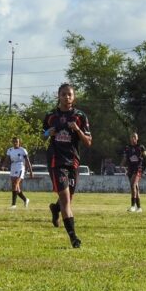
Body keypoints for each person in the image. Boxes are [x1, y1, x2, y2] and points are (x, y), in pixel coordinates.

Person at [43, 83, 92, 248]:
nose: (66, 97)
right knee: (65, 199)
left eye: (69, 94)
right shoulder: (51, 116)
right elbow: (42, 135)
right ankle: (73, 238)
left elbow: (88, 142)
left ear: (74, 97)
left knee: (68, 199)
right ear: (58, 96)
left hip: (73, 162)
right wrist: (47, 133)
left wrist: (78, 130)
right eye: (63, 94)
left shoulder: (80, 117)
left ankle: (55, 209)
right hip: (56, 161)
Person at [121, 132, 146, 212]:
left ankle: (133, 206)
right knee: (136, 188)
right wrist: (121, 165)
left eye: (135, 137)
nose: (133, 138)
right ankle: (139, 208)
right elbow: (125, 158)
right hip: (130, 169)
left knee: (133, 185)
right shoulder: (127, 148)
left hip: (138, 168)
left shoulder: (141, 147)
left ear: (137, 138)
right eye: (132, 137)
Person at [2, 137, 33, 209]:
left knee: (15, 183)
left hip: (20, 166)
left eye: (17, 141)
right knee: (15, 186)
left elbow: (27, 161)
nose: (15, 143)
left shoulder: (22, 150)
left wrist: (31, 171)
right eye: (14, 142)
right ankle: (25, 199)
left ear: (19, 142)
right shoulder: (10, 150)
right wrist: (3, 165)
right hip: (13, 166)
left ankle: (13, 205)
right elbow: (6, 159)